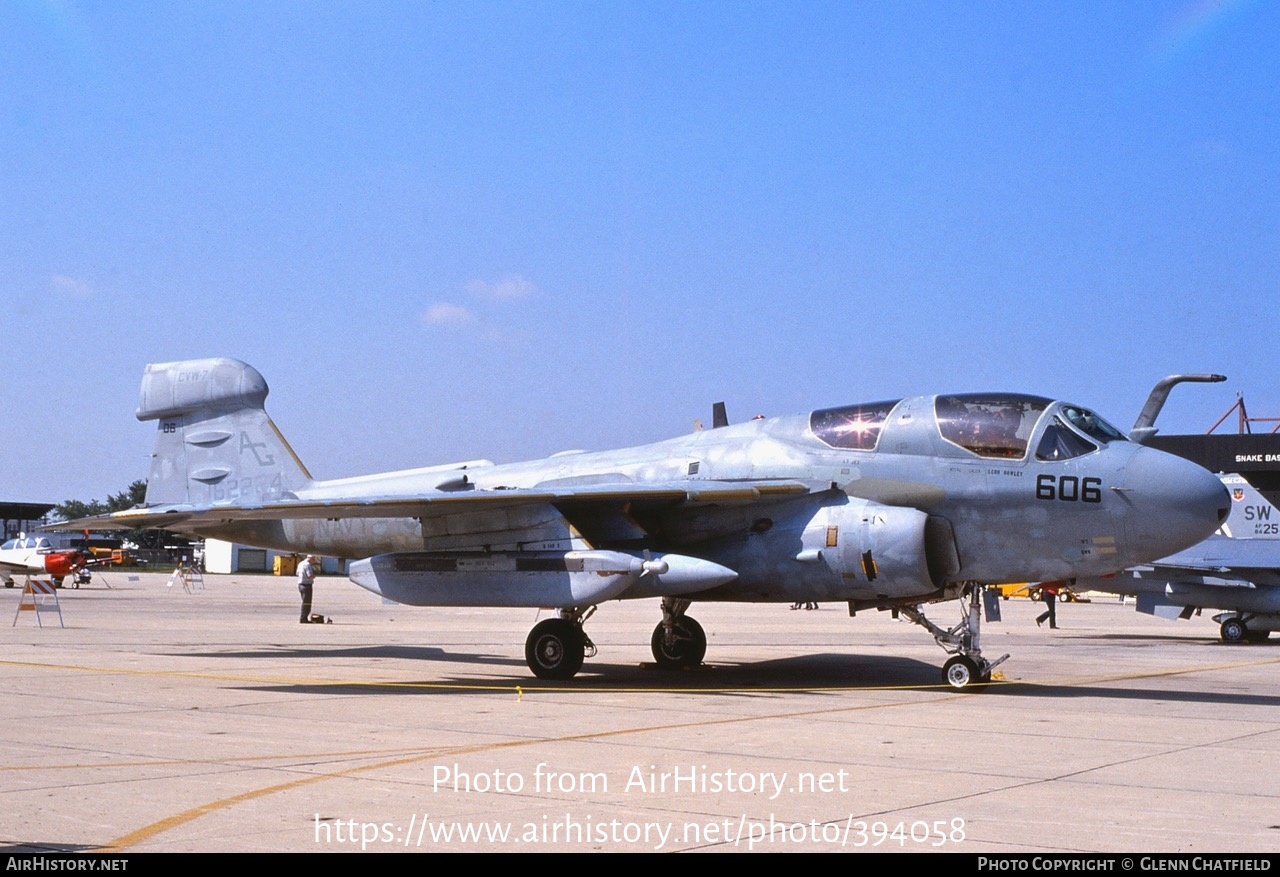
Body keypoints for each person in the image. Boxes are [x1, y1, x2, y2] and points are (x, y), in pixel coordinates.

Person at [297, 555, 318, 623]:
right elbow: (309, 575)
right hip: (306, 586)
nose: (314, 561)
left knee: (304, 602)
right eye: (314, 559)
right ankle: (303, 618)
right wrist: (314, 576)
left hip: (300, 585)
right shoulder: (307, 565)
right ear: (311, 559)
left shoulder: (301, 563)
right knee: (307, 603)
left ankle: (303, 617)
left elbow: (297, 573)